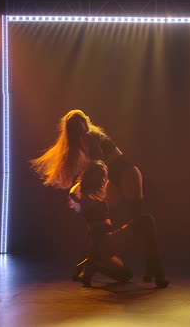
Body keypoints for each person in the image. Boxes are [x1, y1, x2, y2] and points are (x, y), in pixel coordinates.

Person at [30, 109, 168, 287]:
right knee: (138, 221)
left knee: (133, 220)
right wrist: (84, 186)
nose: (81, 126)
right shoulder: (86, 140)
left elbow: (97, 165)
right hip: (119, 175)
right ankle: (148, 268)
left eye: (80, 122)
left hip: (123, 173)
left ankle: (143, 267)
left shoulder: (88, 138)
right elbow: (98, 166)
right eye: (77, 124)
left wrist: (82, 187)